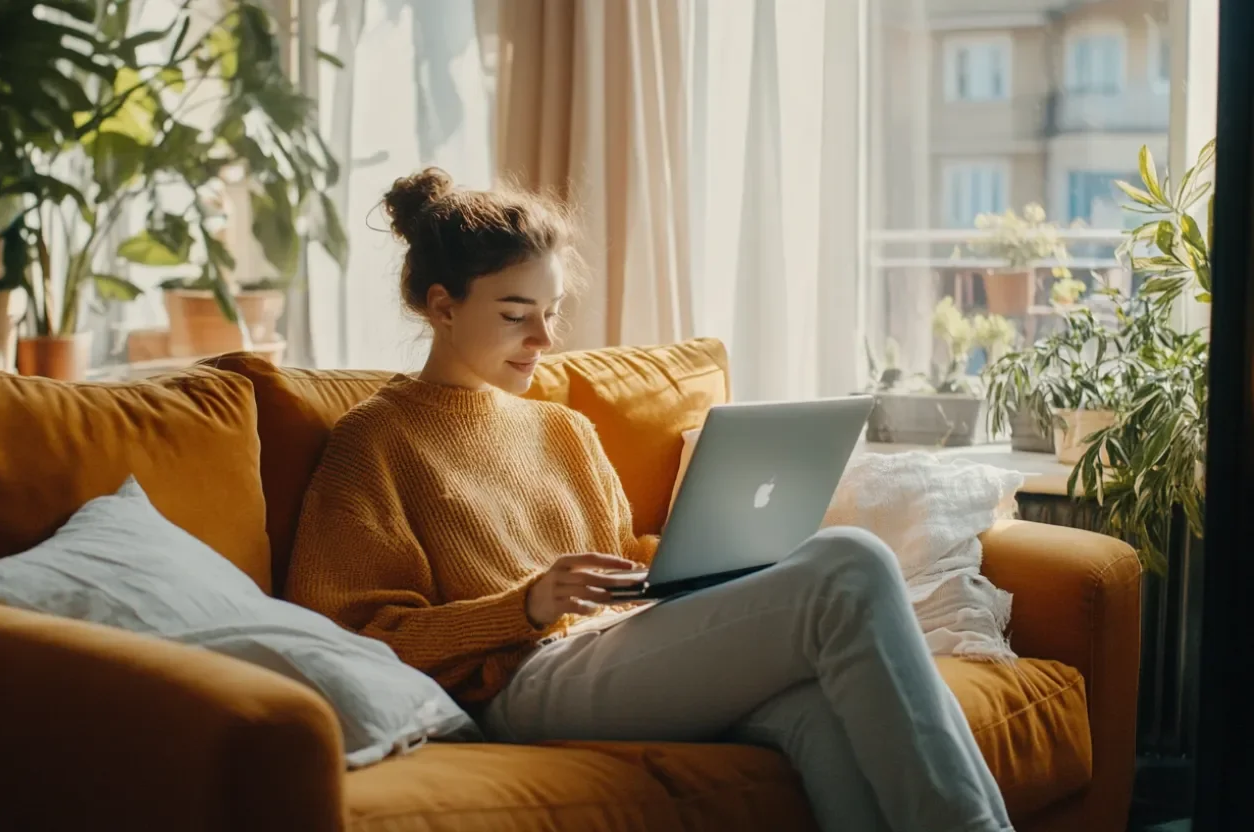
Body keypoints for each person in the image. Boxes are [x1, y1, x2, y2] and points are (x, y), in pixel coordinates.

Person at [287, 167, 1013, 832]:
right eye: (516, 314)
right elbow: (351, 633)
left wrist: (714, 565)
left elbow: (626, 558)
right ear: (442, 306)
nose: (544, 338)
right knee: (850, 563)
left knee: (819, 713)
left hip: (615, 644)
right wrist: (525, 605)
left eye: (552, 310)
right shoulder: (375, 440)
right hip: (521, 680)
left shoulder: (564, 429)